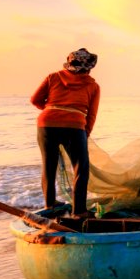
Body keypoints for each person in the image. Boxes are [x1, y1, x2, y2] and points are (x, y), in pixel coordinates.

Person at [30, 48, 100, 218]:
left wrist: (51, 110)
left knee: (48, 166)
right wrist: (86, 132)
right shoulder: (93, 86)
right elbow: (91, 114)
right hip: (74, 126)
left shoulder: (53, 77)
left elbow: (35, 100)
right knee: (80, 168)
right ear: (89, 67)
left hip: (46, 124)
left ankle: (50, 204)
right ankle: (79, 211)